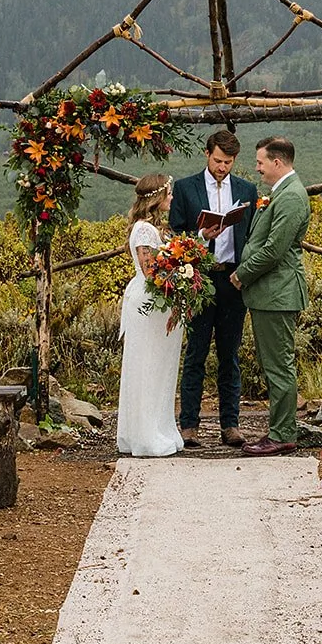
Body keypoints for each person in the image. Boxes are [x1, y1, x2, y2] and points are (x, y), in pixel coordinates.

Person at [167, 129, 257, 448]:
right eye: (218, 160)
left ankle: (230, 425)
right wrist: (201, 234)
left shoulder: (247, 189)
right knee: (196, 352)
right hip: (200, 278)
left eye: (228, 162)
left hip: (233, 280)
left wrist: (245, 272)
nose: (222, 167)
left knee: (229, 355)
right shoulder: (185, 188)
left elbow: (253, 234)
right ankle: (188, 425)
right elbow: (174, 234)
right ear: (207, 154)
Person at [230, 136, 310, 457]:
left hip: (278, 294)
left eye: (261, 162)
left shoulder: (291, 197)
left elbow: (274, 250)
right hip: (268, 295)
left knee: (279, 366)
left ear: (278, 162)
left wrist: (242, 273)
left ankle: (282, 434)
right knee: (274, 364)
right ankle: (279, 428)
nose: (258, 168)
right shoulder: (281, 193)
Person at [116, 173, 187, 458]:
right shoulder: (144, 231)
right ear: (157, 198)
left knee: (163, 368)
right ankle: (145, 435)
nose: (171, 198)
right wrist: (180, 275)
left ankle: (162, 427)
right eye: (168, 193)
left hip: (164, 301)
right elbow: (150, 272)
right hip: (150, 302)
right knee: (147, 365)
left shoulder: (159, 229)